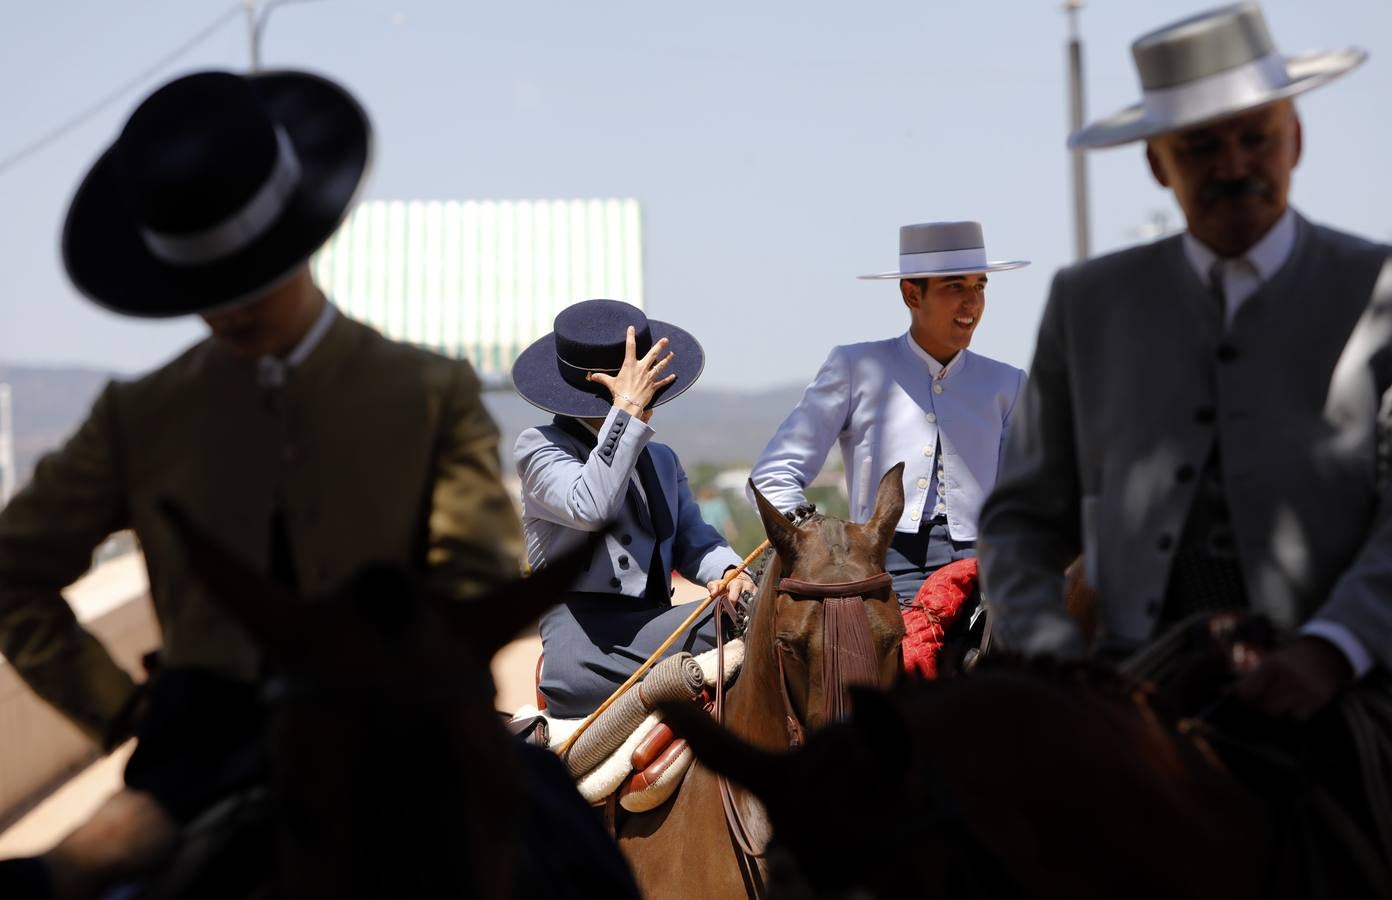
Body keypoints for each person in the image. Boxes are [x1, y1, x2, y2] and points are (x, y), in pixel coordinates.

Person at [0, 70, 521, 897]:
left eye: (253, 283)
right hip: (201, 757)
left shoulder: (428, 392)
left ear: (301, 239)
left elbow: (479, 576)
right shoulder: (139, 416)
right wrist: (118, 710)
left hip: (410, 739)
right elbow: (12, 569)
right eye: (208, 293)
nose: (232, 313)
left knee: (576, 854)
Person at [978, 3, 1389, 720]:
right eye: (1200, 147)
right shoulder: (1088, 302)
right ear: (1155, 162)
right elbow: (1020, 521)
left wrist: (1332, 647)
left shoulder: (1378, 292)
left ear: (1294, 140)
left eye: (1255, 139)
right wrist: (1055, 660)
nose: (1233, 167)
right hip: (1129, 689)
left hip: (1340, 684)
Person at [750, 221, 1028, 605]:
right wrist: (817, 544)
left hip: (988, 568)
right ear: (912, 294)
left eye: (979, 287)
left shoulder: (1008, 382)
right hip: (880, 569)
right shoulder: (855, 367)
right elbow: (772, 475)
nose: (972, 303)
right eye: (954, 287)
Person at [512, 299, 755, 718]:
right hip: (588, 647)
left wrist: (733, 574)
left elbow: (697, 544)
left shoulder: (661, 459)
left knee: (762, 610)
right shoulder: (539, 447)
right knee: (741, 624)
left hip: (655, 628)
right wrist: (625, 412)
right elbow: (589, 505)